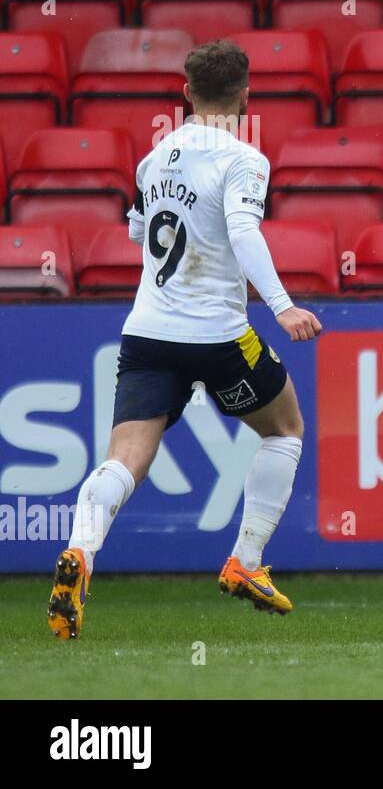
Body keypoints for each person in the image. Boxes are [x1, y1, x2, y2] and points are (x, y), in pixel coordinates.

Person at [46, 40, 322, 640]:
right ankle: (245, 563)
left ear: (186, 92)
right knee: (285, 429)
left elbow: (141, 232)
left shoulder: (154, 158)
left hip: (147, 331)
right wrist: (282, 305)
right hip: (219, 335)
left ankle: (80, 550)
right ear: (247, 93)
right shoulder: (244, 159)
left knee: (126, 458)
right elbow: (244, 230)